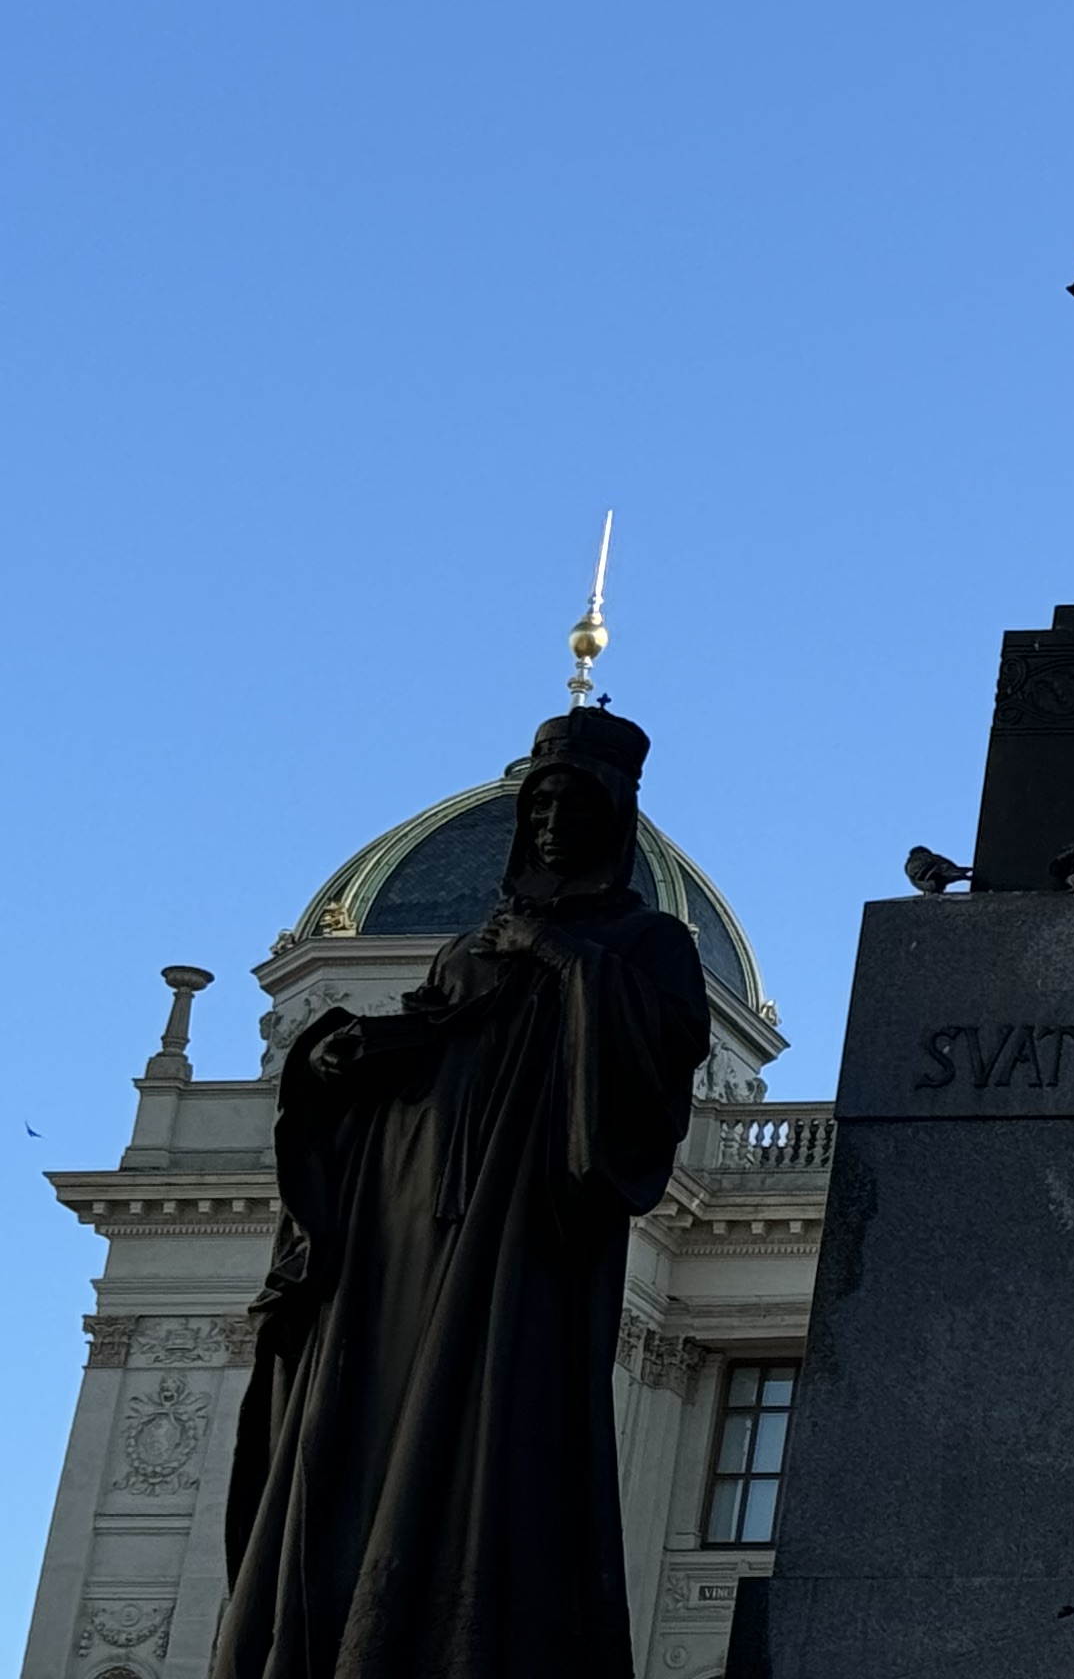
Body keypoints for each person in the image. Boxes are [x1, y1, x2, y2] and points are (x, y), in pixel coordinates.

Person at [216, 705, 709, 1679]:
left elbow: (660, 1057)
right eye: (541, 806)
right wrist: (346, 1056)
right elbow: (435, 1036)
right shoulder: (466, 946)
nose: (553, 823)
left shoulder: (648, 940)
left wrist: (557, 955)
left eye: (575, 805)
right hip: (413, 1213)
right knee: (367, 1409)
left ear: (613, 818)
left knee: (497, 1414)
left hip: (525, 1218)